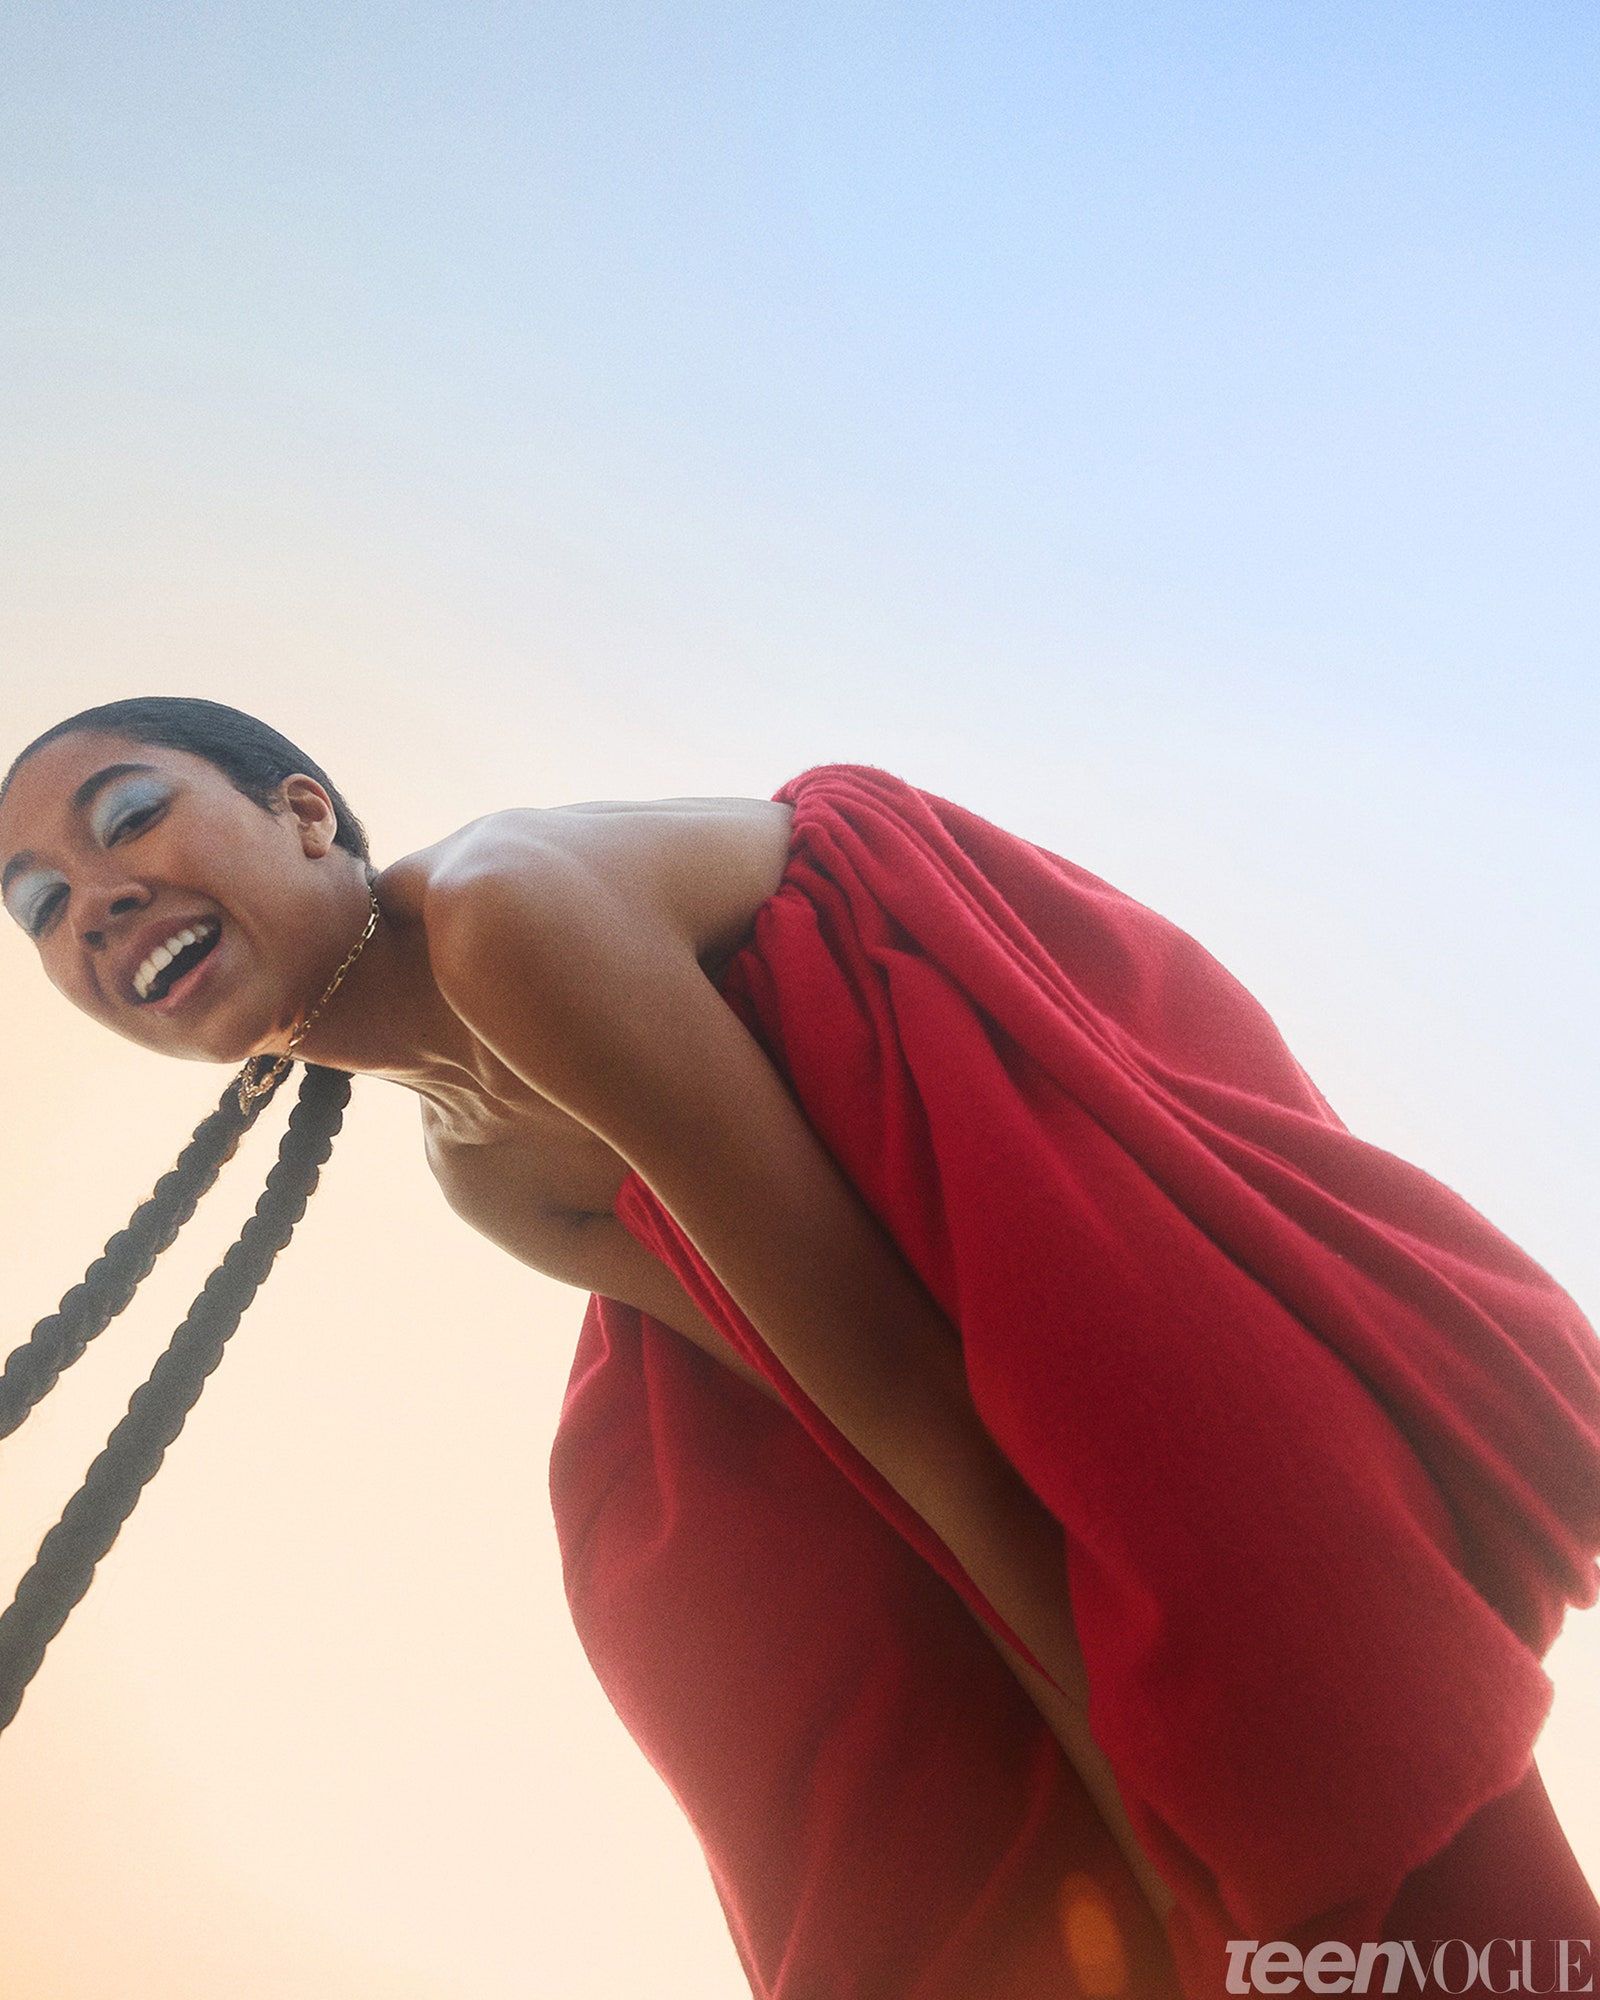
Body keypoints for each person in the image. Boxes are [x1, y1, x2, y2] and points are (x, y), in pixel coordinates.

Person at [1, 697, 1596, 2000]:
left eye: (125, 819)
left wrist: (1160, 1809)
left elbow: (900, 1387)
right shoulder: (478, 1171)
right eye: (42, 908)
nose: (97, 902)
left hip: (1072, 1230)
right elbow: (844, 1431)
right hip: (962, 1354)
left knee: (1323, 1821)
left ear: (299, 810)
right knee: (697, 1569)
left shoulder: (503, 915)